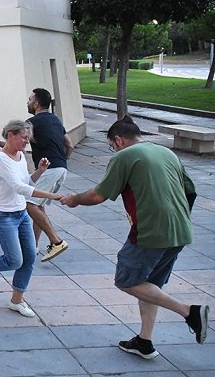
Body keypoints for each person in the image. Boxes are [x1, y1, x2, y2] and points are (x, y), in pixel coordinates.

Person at [61, 116, 208, 357]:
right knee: (149, 284)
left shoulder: (124, 156)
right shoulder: (167, 153)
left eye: (111, 145)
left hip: (150, 231)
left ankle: (189, 312)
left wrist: (75, 199)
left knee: (126, 280)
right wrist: (176, 220)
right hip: (181, 229)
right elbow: (190, 191)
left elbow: (99, 195)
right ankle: (144, 341)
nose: (113, 149)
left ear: (118, 140)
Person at [0, 120, 63, 318]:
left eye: (28, 138)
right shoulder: (0, 159)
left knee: (29, 258)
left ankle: (16, 300)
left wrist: (40, 171)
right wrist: (51, 195)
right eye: (24, 137)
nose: (27, 142)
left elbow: (26, 181)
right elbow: (19, 188)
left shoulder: (20, 156)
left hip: (21, 214)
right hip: (3, 215)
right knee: (14, 260)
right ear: (11, 135)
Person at [0, 88, 73, 262]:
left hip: (51, 168)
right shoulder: (56, 120)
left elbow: (15, 144)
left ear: (36, 103)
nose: (28, 102)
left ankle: (56, 241)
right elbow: (69, 145)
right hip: (61, 167)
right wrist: (62, 161)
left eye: (29, 99)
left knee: (29, 204)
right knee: (37, 206)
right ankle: (33, 246)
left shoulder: (32, 122)